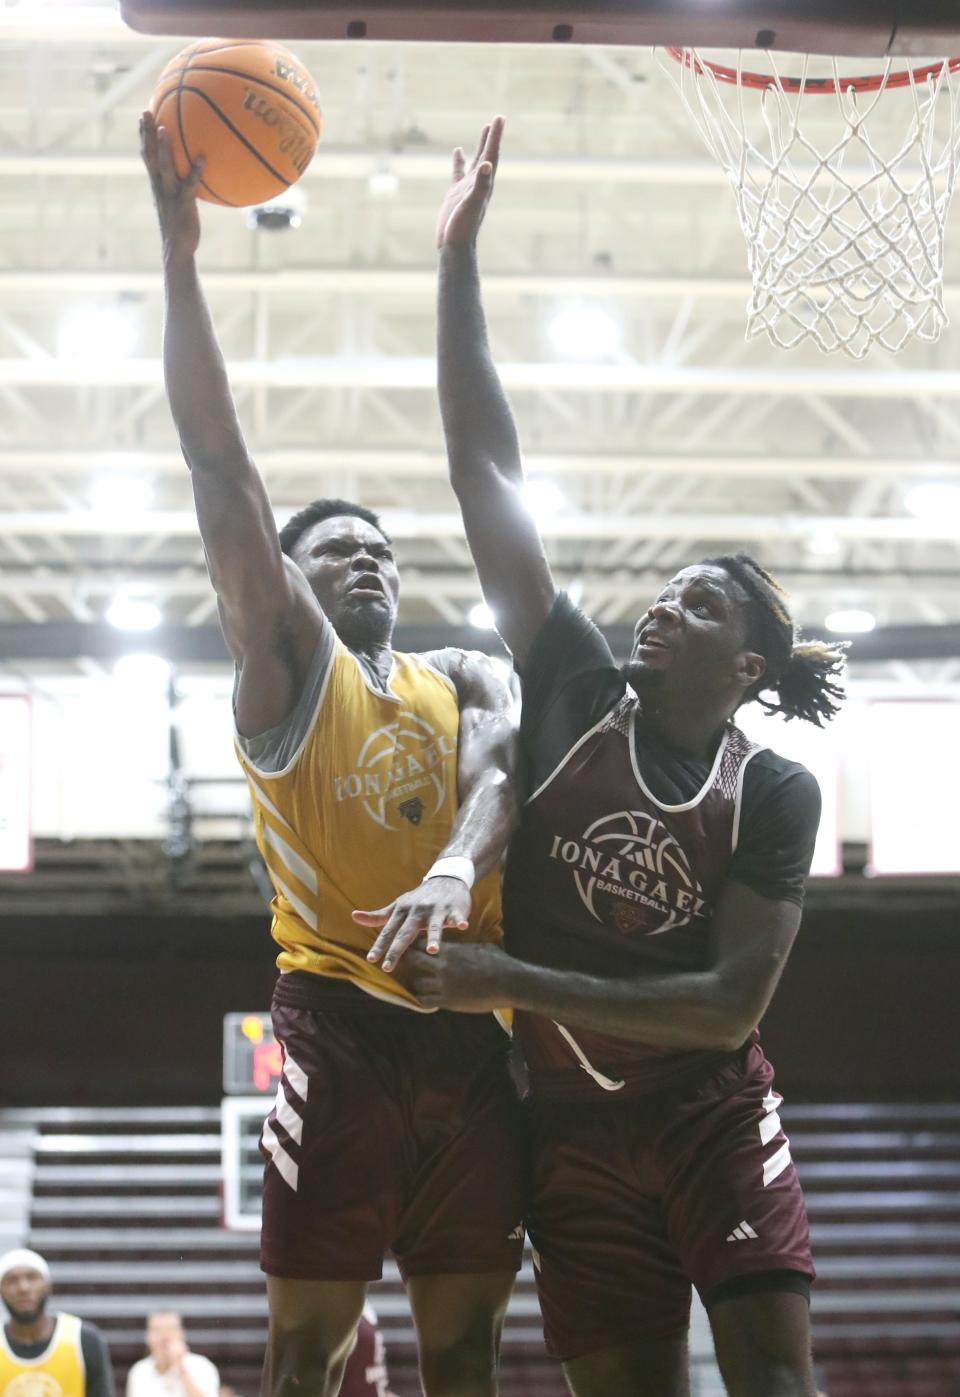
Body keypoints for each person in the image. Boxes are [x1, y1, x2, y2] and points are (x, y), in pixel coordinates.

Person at [414, 116, 848, 1397]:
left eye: (698, 604)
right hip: (571, 1128)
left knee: (774, 1378)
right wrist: (457, 263)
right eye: (661, 592)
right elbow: (486, 470)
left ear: (748, 669)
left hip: (708, 1112)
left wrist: (508, 973)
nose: (661, 606)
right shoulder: (576, 688)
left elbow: (726, 1006)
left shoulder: (771, 788)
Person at [139, 112, 525, 1397]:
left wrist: (459, 865)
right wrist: (181, 257)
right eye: (335, 546)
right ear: (289, 584)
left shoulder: (462, 671)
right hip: (341, 1023)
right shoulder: (287, 669)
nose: (368, 553)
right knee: (308, 1344)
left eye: (381, 543)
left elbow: (505, 753)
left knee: (463, 1347)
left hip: (473, 1027)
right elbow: (219, 469)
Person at [0, 1248, 115, 1397]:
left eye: (32, 1277)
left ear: (47, 1286)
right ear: (1, 1290)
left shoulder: (84, 1340)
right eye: (12, 1280)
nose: (23, 1288)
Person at [126, 1313, 218, 1397]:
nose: (164, 1337)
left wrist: (180, 1368)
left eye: (170, 1329)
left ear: (181, 1334)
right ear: (147, 1337)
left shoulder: (201, 1366)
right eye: (157, 1330)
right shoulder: (139, 1371)